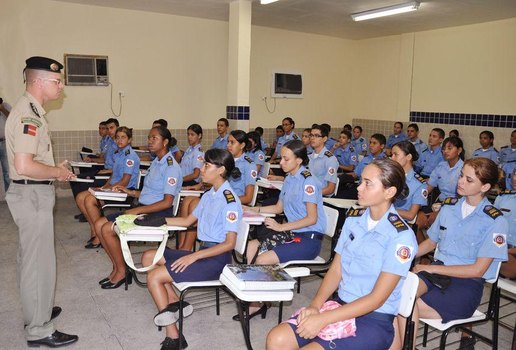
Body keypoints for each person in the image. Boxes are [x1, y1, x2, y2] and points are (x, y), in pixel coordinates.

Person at [267, 158, 417, 350]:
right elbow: (336, 270)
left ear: (389, 192)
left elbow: (377, 298)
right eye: (361, 181)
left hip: (373, 319)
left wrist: (323, 319)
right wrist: (315, 306)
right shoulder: (354, 221)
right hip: (340, 305)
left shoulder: (401, 237)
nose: (359, 188)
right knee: (276, 338)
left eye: (368, 184)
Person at [393, 158, 508, 350]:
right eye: (462, 175)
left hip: (465, 286)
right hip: (435, 275)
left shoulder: (495, 220)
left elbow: (478, 270)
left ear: (485, 186)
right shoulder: (449, 207)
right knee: (395, 296)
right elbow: (430, 242)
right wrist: (403, 255)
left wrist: (430, 267)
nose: (461, 181)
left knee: (401, 306)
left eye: (469, 180)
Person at [5, 56, 78, 347]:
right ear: (38, 81)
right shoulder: (29, 115)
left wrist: (52, 169)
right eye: (57, 81)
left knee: (31, 260)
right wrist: (57, 172)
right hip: (31, 193)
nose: (61, 86)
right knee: (39, 264)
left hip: (32, 192)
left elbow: (32, 161)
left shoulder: (30, 110)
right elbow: (24, 165)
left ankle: (37, 309)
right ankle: (39, 329)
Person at [143, 149, 242, 350]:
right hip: (204, 253)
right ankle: (175, 303)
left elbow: (230, 244)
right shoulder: (209, 195)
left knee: (154, 277)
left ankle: (174, 336)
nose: (202, 169)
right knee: (148, 257)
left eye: (207, 165)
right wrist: (155, 220)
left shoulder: (230, 201)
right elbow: (187, 221)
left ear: (221, 170)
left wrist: (194, 256)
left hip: (216, 260)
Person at [242, 139, 327, 320]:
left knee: (263, 259)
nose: (280, 163)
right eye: (281, 158)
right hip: (292, 234)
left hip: (309, 238)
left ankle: (260, 301)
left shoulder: (308, 182)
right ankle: (260, 298)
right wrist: (253, 209)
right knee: (251, 246)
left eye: (286, 159)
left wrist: (281, 227)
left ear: (299, 160)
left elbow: (312, 218)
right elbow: (278, 208)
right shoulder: (289, 179)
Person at [95, 126, 182, 289]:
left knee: (106, 229)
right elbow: (150, 193)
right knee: (100, 224)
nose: (149, 141)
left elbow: (166, 202)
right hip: (145, 208)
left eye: (154, 138)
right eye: (149, 138)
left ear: (165, 142)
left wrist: (137, 210)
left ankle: (122, 273)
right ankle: (118, 267)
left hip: (159, 214)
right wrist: (131, 192)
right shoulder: (156, 162)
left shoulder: (171, 167)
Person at [179, 130, 257, 250]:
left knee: (195, 204)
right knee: (188, 200)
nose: (228, 145)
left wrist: (221, 201)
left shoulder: (248, 164)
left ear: (242, 145)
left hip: (231, 203)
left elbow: (248, 197)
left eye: (232, 142)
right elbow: (217, 181)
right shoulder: (224, 158)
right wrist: (199, 186)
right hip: (216, 196)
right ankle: (182, 245)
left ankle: (186, 248)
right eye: (228, 142)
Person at [75, 126, 140, 248]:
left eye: (123, 137)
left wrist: (107, 189)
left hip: (124, 192)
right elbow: (113, 176)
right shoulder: (118, 153)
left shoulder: (130, 156)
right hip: (113, 189)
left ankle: (99, 236)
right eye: (118, 138)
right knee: (80, 197)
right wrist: (104, 187)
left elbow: (125, 181)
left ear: (129, 140)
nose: (120, 140)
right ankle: (94, 228)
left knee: (89, 200)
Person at [415, 136, 464, 243]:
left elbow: (462, 198)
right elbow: (428, 188)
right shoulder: (441, 166)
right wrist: (416, 203)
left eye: (449, 148)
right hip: (439, 203)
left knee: (436, 220)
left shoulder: (464, 169)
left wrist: (441, 211)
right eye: (444, 148)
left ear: (459, 150)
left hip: (457, 206)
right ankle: (425, 256)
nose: (445, 151)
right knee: (416, 223)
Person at [391, 141, 427, 222]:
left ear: (408, 157)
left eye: (396, 154)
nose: (392, 158)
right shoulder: (390, 176)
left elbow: (411, 215)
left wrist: (386, 210)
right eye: (391, 154)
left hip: (399, 223)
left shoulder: (419, 184)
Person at [307, 125, 339, 196]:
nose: (312, 138)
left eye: (316, 136)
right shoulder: (308, 157)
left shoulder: (330, 159)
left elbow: (330, 189)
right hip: (307, 192)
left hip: (321, 197)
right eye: (311, 135)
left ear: (324, 139)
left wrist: (310, 194)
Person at [494, 176, 516, 279]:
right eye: (515, 173)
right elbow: (490, 225)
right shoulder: (503, 198)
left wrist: (506, 251)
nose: (514, 178)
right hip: (498, 247)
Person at [0, 97, 11, 192]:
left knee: (7, 172)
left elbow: (13, 119)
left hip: (4, 143)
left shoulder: (5, 106)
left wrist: (2, 109)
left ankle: (10, 197)